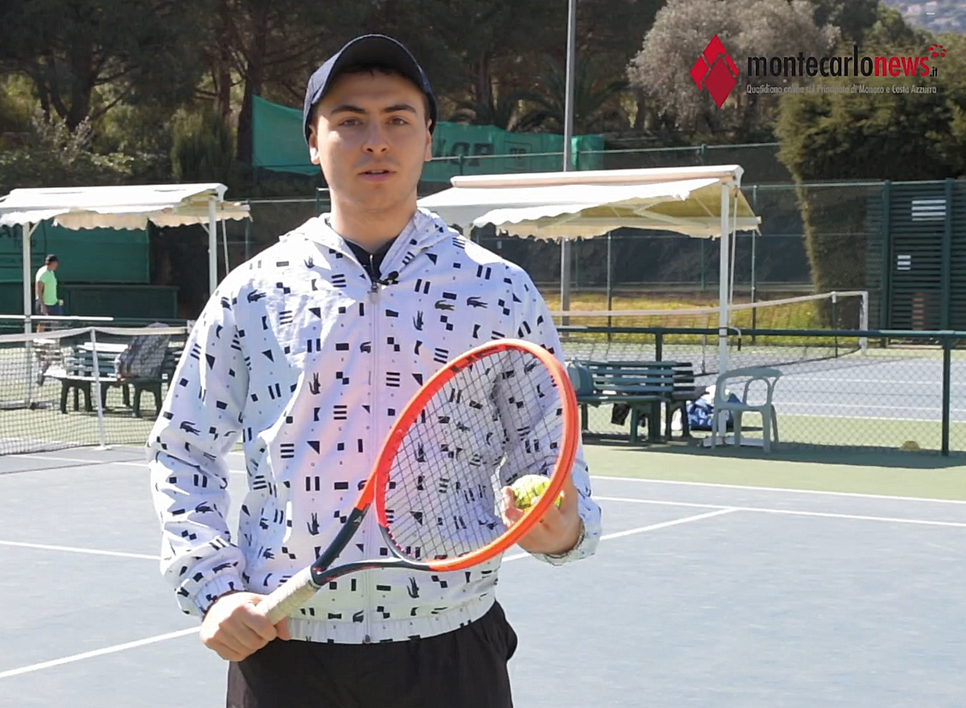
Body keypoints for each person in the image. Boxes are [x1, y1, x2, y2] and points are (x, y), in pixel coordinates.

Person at [147, 34, 602, 708]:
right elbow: (182, 449)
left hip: (452, 650)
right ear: (313, 141)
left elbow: (551, 452)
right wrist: (213, 586)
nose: (376, 141)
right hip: (284, 649)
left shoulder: (499, 290)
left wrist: (565, 529)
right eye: (350, 120)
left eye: (398, 119)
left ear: (428, 139)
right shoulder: (251, 291)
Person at [34, 254, 64, 330]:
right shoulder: (43, 273)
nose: (57, 265)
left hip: (54, 304)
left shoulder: (51, 272)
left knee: (56, 324)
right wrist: (42, 305)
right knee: (42, 324)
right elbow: (38, 289)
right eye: (56, 263)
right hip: (44, 304)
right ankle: (39, 338)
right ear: (53, 263)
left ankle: (55, 337)